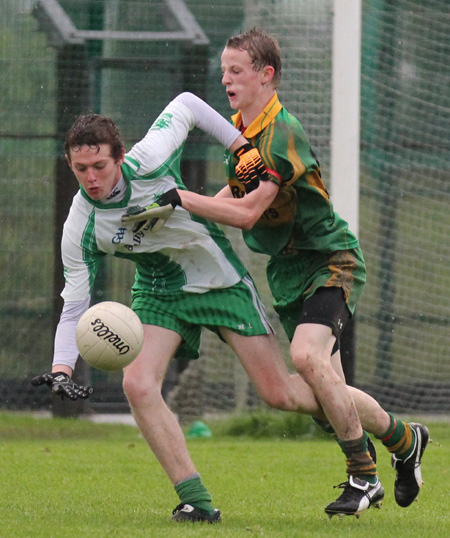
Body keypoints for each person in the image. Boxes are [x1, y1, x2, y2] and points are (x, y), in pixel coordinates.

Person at [30, 92, 361, 524]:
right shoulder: (79, 226)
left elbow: (186, 104)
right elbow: (74, 306)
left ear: (121, 157)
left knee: (279, 393)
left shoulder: (148, 159)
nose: (91, 178)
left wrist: (240, 147)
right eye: (80, 169)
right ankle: (196, 502)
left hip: (217, 276)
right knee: (138, 385)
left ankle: (395, 432)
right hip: (158, 289)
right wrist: (62, 369)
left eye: (99, 167)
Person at [139, 29, 430, 518]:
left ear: (265, 75)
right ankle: (405, 439)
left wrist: (185, 197)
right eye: (224, 70)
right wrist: (177, 213)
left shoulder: (282, 131)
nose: (226, 79)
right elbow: (234, 195)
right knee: (325, 392)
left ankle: (364, 476)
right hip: (288, 272)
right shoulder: (240, 130)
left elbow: (251, 212)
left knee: (304, 358)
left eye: (237, 71)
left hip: (329, 260)